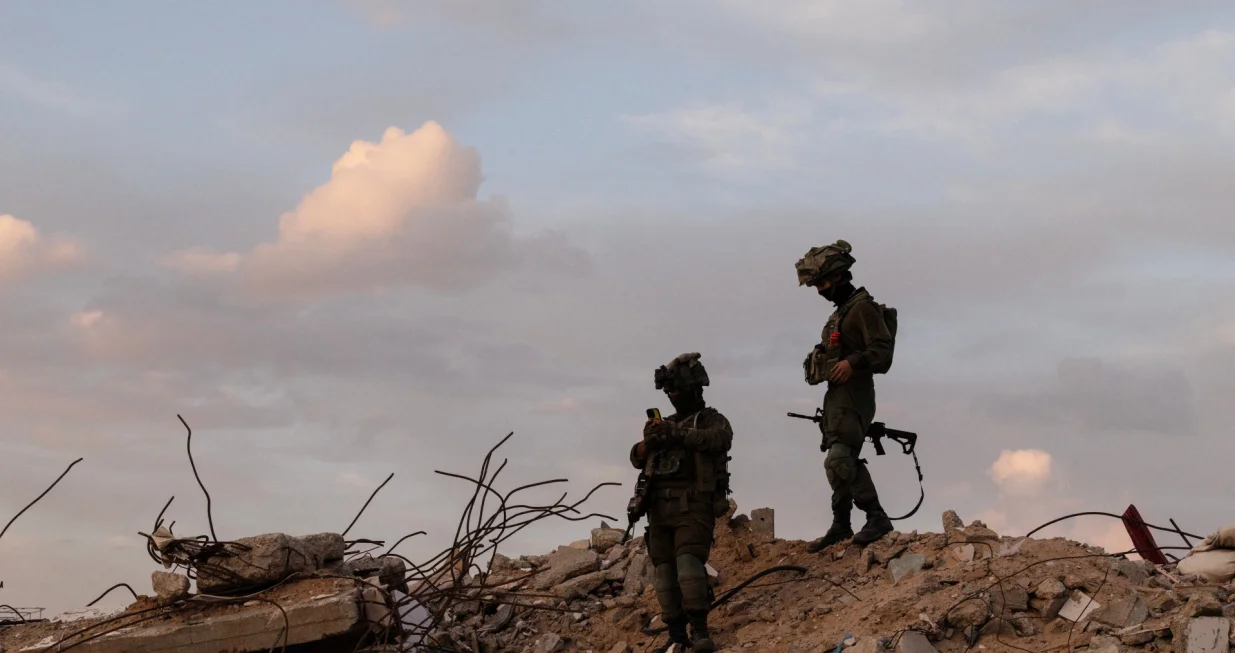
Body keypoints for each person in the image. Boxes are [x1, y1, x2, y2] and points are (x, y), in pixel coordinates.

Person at [795, 240, 896, 551]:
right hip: (837, 399)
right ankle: (841, 524)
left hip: (855, 396)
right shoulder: (840, 314)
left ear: (838, 276)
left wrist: (853, 362)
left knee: (840, 458)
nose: (820, 291)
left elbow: (882, 350)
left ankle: (877, 517)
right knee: (834, 463)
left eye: (822, 284)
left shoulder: (862, 308)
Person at [630, 352, 733, 653]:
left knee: (688, 568)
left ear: (694, 388)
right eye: (668, 392)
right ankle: (676, 636)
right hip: (659, 510)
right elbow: (636, 457)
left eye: (676, 390)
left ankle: (699, 631)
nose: (672, 396)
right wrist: (649, 441)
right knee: (663, 576)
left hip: (693, 506)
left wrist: (679, 434)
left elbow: (719, 439)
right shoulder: (666, 425)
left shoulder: (710, 419)